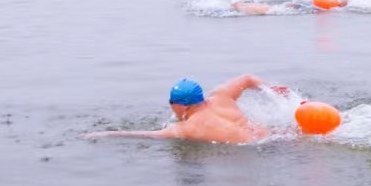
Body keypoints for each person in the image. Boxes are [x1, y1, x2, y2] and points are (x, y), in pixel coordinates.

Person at [84, 76, 284, 145]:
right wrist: (275, 91)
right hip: (273, 137)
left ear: (181, 106)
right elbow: (247, 78)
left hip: (258, 150)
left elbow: (144, 135)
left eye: (170, 101)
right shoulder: (221, 96)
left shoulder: (187, 128)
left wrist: (101, 134)